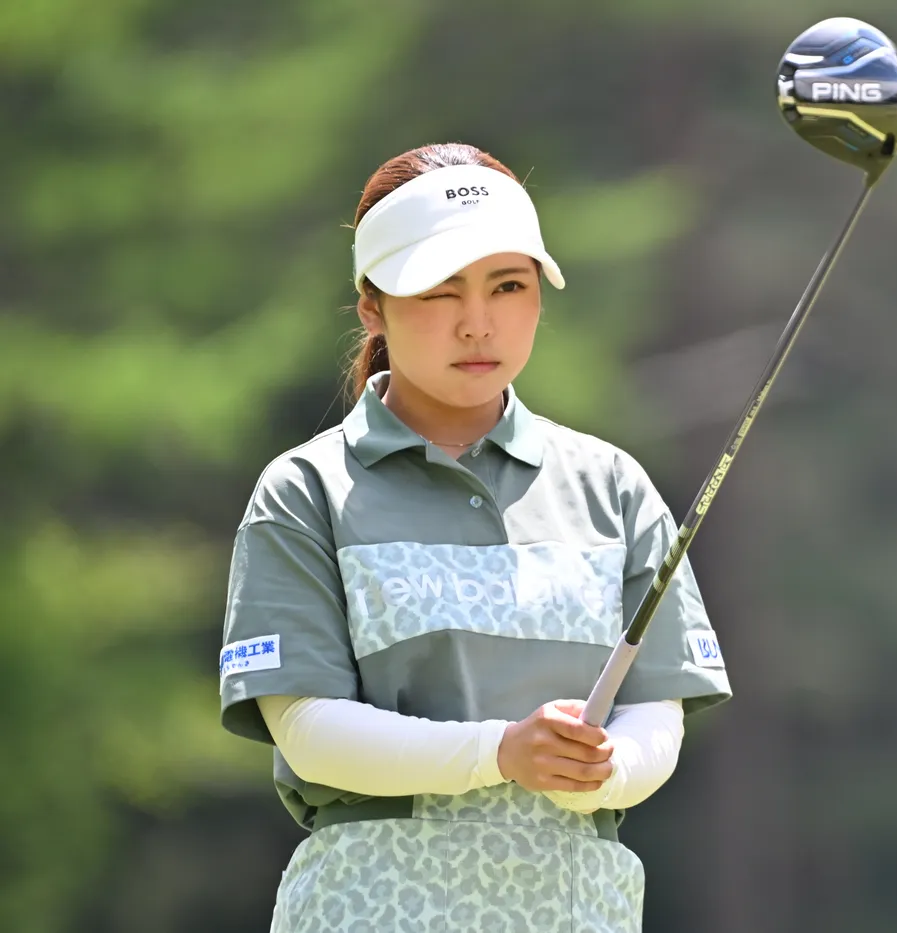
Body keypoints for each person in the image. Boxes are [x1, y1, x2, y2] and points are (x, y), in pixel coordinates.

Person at [217, 142, 732, 933]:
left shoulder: (612, 485)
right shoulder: (306, 490)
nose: (478, 323)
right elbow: (311, 732)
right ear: (372, 305)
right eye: (440, 290)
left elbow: (657, 713)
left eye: (508, 285)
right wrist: (502, 751)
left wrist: (603, 769)